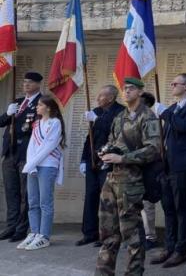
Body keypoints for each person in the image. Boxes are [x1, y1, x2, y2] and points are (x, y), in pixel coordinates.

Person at [95, 77, 161, 275]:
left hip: (131, 181)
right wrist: (106, 153)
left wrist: (122, 158)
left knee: (131, 233)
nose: (126, 92)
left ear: (140, 92)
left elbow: (153, 149)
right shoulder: (120, 116)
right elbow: (113, 140)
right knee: (108, 232)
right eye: (124, 89)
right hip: (112, 179)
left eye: (131, 89)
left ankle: (134, 272)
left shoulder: (148, 117)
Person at [150, 73, 186, 268]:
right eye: (172, 82)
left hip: (183, 165)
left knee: (182, 208)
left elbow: (184, 126)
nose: (172, 85)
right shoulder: (173, 108)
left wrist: (165, 113)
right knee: (168, 208)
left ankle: (181, 250)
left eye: (176, 83)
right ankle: (169, 246)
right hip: (166, 166)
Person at [76, 85, 124, 247]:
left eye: (102, 96)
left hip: (109, 160)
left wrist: (97, 120)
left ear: (111, 97)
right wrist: (84, 160)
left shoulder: (120, 111)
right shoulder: (96, 111)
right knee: (90, 196)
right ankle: (89, 232)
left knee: (107, 200)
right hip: (93, 159)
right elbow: (89, 138)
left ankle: (107, 235)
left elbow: (115, 130)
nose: (98, 98)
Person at [17, 96, 65, 250]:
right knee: (33, 202)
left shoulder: (55, 123)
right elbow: (31, 145)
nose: (37, 107)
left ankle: (44, 236)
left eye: (40, 105)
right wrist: (30, 164)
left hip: (48, 165)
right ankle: (34, 232)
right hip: (34, 165)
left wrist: (32, 163)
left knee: (45, 202)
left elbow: (49, 146)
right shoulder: (36, 123)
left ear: (48, 108)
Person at [0, 72, 43, 242]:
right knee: (11, 192)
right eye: (25, 82)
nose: (26, 85)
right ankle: (10, 226)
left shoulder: (42, 103)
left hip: (27, 154)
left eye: (30, 82)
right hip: (10, 153)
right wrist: (8, 114)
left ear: (38, 84)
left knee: (26, 194)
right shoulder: (17, 102)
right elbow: (1, 122)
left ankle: (21, 228)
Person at [139, 91, 159, 250]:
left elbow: (153, 146)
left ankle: (150, 236)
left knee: (147, 204)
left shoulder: (151, 118)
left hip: (147, 166)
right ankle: (136, 235)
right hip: (132, 166)